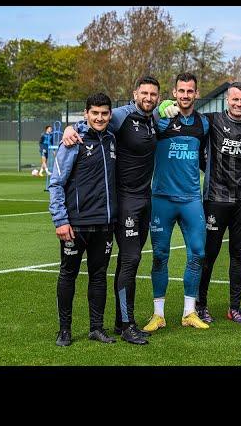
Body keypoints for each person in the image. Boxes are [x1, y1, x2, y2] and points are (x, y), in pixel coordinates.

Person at [61, 76, 173, 345]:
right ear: (135, 93)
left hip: (145, 200)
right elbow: (93, 122)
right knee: (130, 260)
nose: (148, 97)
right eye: (144, 93)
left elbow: (168, 111)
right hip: (125, 203)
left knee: (129, 261)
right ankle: (126, 325)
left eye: (153, 94)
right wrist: (69, 128)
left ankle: (120, 320)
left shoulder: (153, 119)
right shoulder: (121, 116)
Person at [192, 82, 241, 324]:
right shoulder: (211, 120)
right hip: (216, 198)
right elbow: (184, 120)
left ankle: (234, 307)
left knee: (239, 255)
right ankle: (201, 305)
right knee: (209, 255)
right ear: (227, 99)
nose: (239, 104)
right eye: (235, 100)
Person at [143, 72, 210, 332]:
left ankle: (189, 312)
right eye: (181, 91)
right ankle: (158, 314)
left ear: (196, 94)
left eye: (190, 91)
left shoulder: (202, 124)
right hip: (161, 198)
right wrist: (159, 109)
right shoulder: (159, 119)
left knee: (198, 253)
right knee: (160, 256)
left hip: (191, 199)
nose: (185, 95)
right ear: (174, 92)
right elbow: (136, 115)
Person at [48, 93, 117, 347]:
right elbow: (55, 182)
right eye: (95, 113)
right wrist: (60, 220)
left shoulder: (112, 138)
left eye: (104, 113)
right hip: (75, 225)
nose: (100, 118)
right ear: (86, 114)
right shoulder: (74, 140)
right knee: (68, 275)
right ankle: (64, 330)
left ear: (110, 114)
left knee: (98, 276)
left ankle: (96, 328)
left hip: (104, 223)